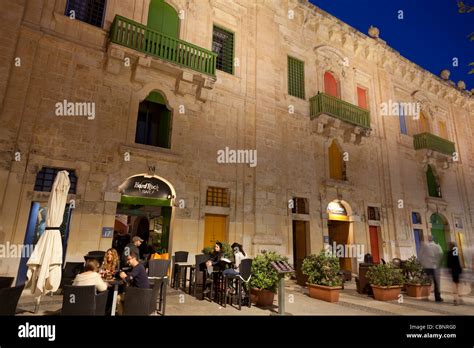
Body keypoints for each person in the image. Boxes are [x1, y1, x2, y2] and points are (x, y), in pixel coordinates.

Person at [419, 236, 444, 302]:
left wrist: (423, 263)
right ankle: (437, 298)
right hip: (435, 267)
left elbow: (420, 256)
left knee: (425, 281)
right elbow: (441, 254)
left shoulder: (426, 246)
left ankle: (423, 295)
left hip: (427, 266)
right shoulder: (437, 246)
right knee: (436, 283)